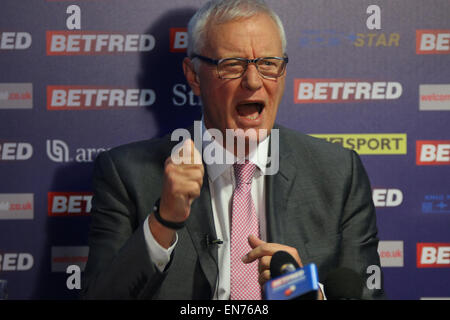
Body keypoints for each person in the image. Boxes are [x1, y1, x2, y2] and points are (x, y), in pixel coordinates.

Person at [81, 0, 385, 300]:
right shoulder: (126, 174)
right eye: (232, 65)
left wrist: (313, 297)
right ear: (193, 76)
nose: (253, 81)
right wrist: (164, 222)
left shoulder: (338, 173)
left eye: (268, 64)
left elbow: (367, 294)